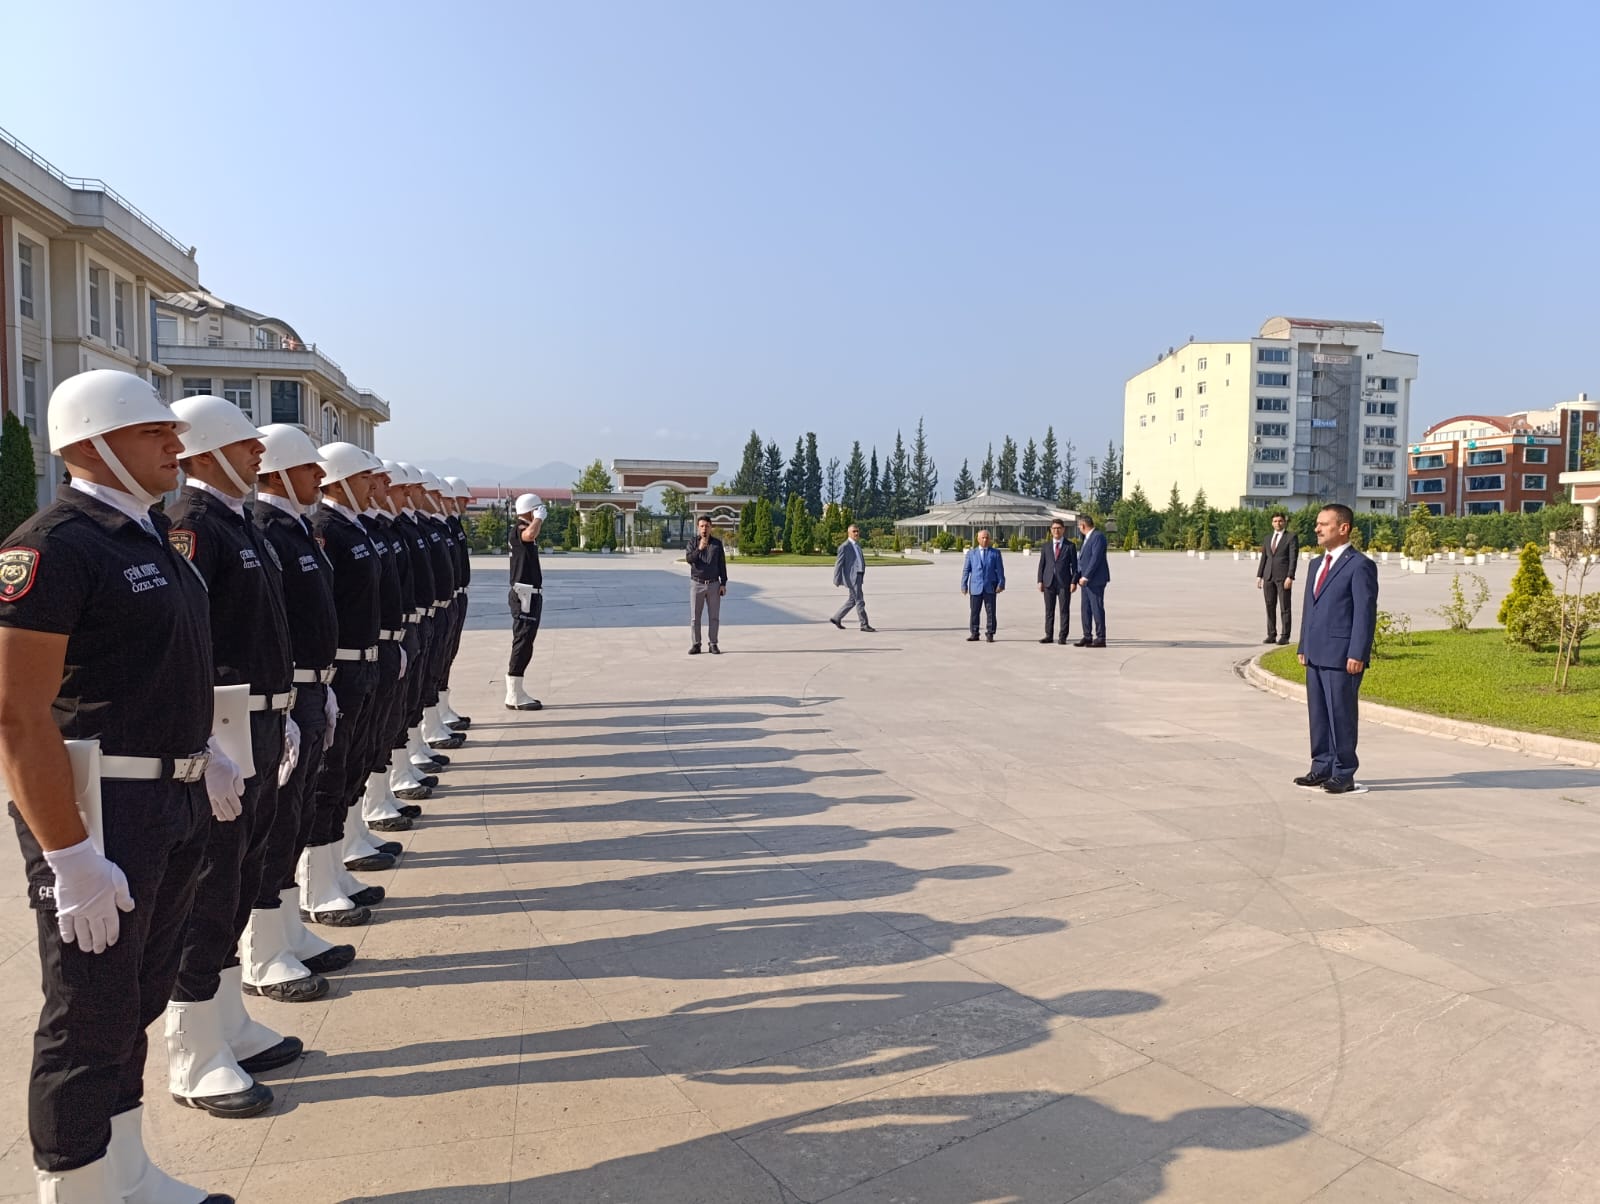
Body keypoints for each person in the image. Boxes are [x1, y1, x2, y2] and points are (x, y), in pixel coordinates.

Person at [0, 369, 240, 1202]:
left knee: (136, 995)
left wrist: (204, 745)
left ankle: (126, 1172)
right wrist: (69, 855)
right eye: (152, 433)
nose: (175, 446)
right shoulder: (54, 545)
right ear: (90, 443)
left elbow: (162, 672)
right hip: (101, 811)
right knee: (84, 1014)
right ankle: (72, 1190)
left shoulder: (147, 539)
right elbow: (16, 714)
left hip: (166, 800)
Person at [163, 395, 302, 1123]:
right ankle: (191, 1049)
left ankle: (227, 1024)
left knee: (242, 872)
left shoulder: (233, 521)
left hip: (260, 718)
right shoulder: (191, 523)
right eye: (246, 446)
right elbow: (194, 640)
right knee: (211, 883)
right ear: (212, 449)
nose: (259, 457)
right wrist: (205, 737)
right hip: (224, 727)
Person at [1295, 503, 1378, 795]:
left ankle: (1344, 772)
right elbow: (1310, 608)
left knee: (1341, 714)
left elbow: (1364, 614)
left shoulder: (1359, 565)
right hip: (1316, 653)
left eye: (1324, 524)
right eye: (1317, 523)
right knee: (1318, 714)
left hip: (1343, 656)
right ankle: (1321, 766)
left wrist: (1358, 653)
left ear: (1343, 528)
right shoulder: (1316, 565)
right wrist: (1303, 644)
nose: (1317, 529)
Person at [506, 492, 546, 707]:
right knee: (522, 640)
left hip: (530, 592)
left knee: (526, 640)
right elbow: (529, 535)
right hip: (524, 593)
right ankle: (514, 693)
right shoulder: (520, 529)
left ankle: (517, 690)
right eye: (538, 508)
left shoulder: (523, 529)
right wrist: (538, 518)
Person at [687, 516, 727, 654]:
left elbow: (722, 563)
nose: (704, 529)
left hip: (713, 584)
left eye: (707, 526)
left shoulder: (717, 544)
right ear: (698, 527)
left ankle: (713, 643)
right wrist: (699, 548)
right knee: (695, 617)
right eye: (702, 526)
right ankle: (696, 644)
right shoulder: (693, 542)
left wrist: (723, 583)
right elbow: (689, 559)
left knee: (714, 616)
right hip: (696, 583)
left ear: (711, 527)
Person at [1256, 511, 1297, 645]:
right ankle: (1271, 634)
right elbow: (1264, 558)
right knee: (1269, 606)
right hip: (1268, 576)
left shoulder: (1291, 537)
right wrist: (1259, 575)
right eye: (1275, 521)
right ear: (1272, 523)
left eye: (1280, 521)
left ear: (1284, 522)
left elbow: (1293, 558)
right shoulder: (1268, 538)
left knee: (1285, 607)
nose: (1277, 523)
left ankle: (1285, 636)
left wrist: (1290, 576)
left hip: (1283, 577)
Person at [1036, 518, 1078, 644]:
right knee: (1049, 610)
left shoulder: (1070, 546)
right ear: (1050, 530)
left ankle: (1063, 636)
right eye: (1054, 528)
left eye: (1059, 528)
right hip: (1048, 582)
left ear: (1063, 529)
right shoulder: (1046, 546)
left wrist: (1073, 582)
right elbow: (1042, 565)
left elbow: (1075, 567)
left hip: (1064, 583)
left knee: (1064, 610)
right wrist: (1040, 581)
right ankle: (1049, 635)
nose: (1056, 531)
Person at [828, 524, 876, 632]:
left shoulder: (857, 545)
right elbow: (838, 564)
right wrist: (836, 579)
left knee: (852, 600)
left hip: (859, 575)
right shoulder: (844, 547)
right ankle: (864, 624)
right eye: (854, 531)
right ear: (848, 533)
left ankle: (836, 618)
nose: (856, 533)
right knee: (859, 600)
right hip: (852, 578)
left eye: (857, 531)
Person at [960, 529, 1005, 642]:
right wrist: (964, 585)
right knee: (974, 612)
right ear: (978, 539)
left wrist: (1001, 583)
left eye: (987, 538)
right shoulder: (971, 553)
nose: (985, 540)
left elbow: (1000, 570)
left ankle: (990, 633)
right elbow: (966, 570)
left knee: (991, 612)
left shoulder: (995, 553)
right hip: (976, 587)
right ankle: (974, 633)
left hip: (990, 587)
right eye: (983, 538)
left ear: (989, 539)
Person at [1074, 514, 1109, 647]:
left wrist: (1086, 576)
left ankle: (1101, 637)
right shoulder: (1087, 538)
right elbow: (1083, 560)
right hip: (1085, 581)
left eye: (1079, 526)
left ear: (1083, 525)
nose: (1079, 529)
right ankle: (1087, 635)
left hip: (1095, 580)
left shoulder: (1097, 537)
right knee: (1085, 609)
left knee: (1096, 608)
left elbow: (1096, 559)